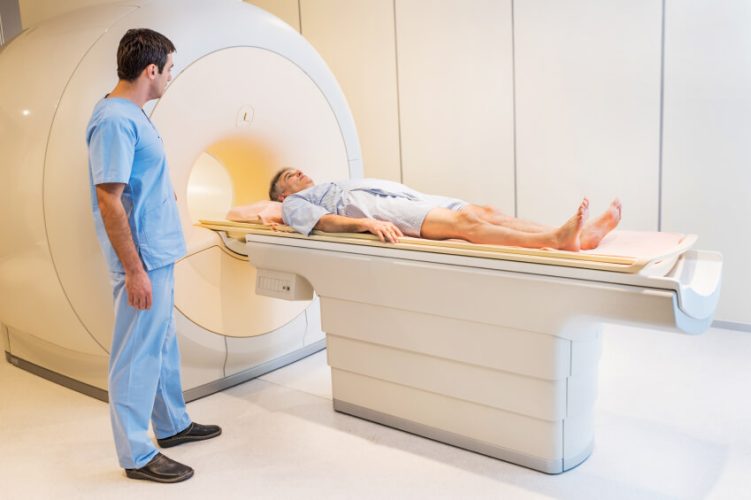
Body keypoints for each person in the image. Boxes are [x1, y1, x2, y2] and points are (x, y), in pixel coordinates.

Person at [87, 29, 221, 484]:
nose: (169, 76)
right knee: (136, 355)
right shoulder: (114, 120)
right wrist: (134, 270)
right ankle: (136, 454)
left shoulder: (134, 115)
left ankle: (172, 425)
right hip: (140, 262)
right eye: (168, 69)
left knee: (162, 344)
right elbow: (110, 200)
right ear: (150, 70)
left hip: (158, 254)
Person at [269, 168, 622, 251]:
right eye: (289, 176)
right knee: (466, 223)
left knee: (484, 210)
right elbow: (323, 223)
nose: (297, 173)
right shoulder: (297, 204)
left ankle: (580, 235)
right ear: (283, 196)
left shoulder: (330, 182)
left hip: (407, 198)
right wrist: (364, 226)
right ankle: (555, 239)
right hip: (379, 211)